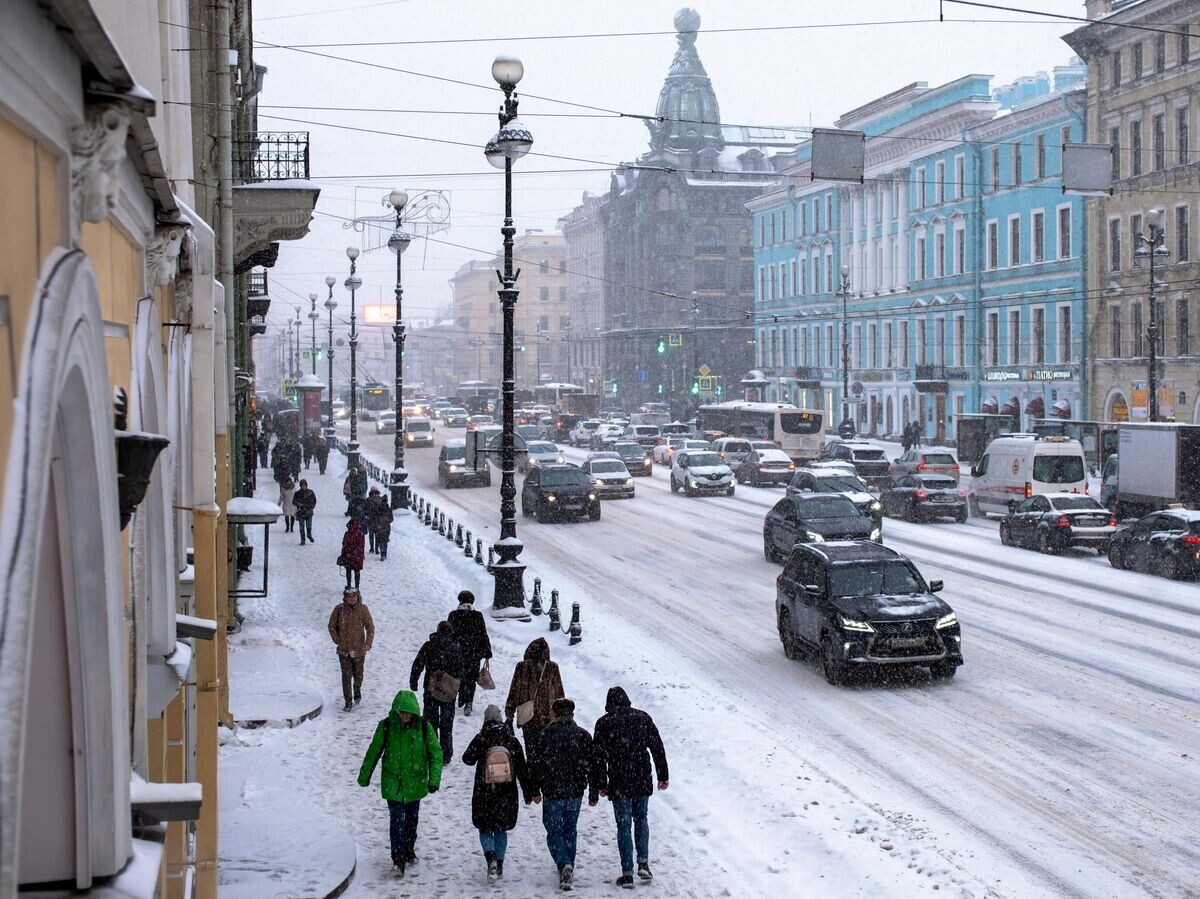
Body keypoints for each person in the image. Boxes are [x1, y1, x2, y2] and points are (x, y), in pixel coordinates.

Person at [358, 689, 443, 875]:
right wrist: (364, 776)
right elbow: (374, 751)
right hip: (393, 782)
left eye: (407, 713)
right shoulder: (387, 726)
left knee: (411, 820)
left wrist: (434, 779)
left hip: (415, 782)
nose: (404, 716)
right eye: (401, 712)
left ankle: (409, 849)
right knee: (396, 821)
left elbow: (436, 753)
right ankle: (398, 859)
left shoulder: (423, 727)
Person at [591, 687, 669, 889]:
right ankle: (643, 863)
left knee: (623, 825)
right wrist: (663, 775)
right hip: (641, 777)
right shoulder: (642, 717)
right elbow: (657, 747)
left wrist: (601, 783)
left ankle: (627, 873)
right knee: (641, 819)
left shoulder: (604, 722)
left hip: (619, 780)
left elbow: (598, 756)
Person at [461, 704, 534, 884]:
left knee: (485, 827)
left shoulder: (483, 739)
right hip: (506, 793)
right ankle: (499, 864)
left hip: (484, 792)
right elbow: (522, 769)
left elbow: (467, 759)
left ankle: (490, 859)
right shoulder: (511, 740)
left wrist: (479, 739)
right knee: (501, 829)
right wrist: (528, 792)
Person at [530, 697, 594, 891]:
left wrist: (534, 789)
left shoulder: (543, 735)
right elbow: (592, 765)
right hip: (575, 790)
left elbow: (535, 765)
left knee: (553, 830)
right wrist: (593, 791)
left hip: (552, 790)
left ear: (554, 713)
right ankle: (568, 864)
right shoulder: (583, 735)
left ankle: (564, 862)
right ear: (572, 713)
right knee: (570, 828)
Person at [410, 621, 465, 764]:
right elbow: (461, 671)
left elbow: (418, 664)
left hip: (431, 688)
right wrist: (462, 693)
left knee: (430, 722)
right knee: (447, 724)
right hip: (449, 691)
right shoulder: (455, 648)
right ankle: (445, 754)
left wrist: (414, 681)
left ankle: (431, 751)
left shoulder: (429, 645)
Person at [504, 637, 565, 757]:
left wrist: (510, 712)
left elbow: (514, 690)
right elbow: (559, 691)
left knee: (530, 748)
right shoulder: (552, 667)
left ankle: (532, 766)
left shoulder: (522, 667)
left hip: (528, 716)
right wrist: (563, 713)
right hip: (548, 716)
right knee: (547, 749)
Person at [327, 586, 374, 711]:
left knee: (358, 675)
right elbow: (331, 626)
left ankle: (357, 690)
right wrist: (337, 639)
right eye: (349, 596)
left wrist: (368, 643)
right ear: (345, 598)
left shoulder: (363, 609)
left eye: (354, 596)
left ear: (358, 597)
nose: (352, 599)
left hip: (359, 650)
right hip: (344, 651)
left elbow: (370, 628)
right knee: (346, 676)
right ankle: (348, 701)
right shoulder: (339, 610)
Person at [448, 590, 493, 717]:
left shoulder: (453, 615)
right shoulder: (477, 616)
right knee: (471, 679)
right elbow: (483, 634)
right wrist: (487, 651)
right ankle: (468, 702)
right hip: (474, 654)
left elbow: (449, 635)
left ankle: (460, 697)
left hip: (458, 653)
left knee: (458, 676)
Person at [367, 489, 394, 560]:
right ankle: (385, 553)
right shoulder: (389, 509)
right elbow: (391, 519)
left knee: (381, 540)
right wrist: (387, 521)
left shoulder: (378, 508)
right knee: (385, 540)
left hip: (379, 526)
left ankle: (382, 553)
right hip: (387, 527)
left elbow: (375, 516)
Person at [340, 518, 365, 589]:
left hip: (348, 554)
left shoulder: (347, 533)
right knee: (357, 571)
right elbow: (362, 545)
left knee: (348, 570)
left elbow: (344, 544)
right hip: (358, 556)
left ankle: (349, 585)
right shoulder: (360, 534)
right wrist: (361, 555)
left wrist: (343, 553)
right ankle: (357, 586)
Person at [365, 487, 389, 555]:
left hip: (370, 518)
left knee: (371, 534)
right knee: (377, 534)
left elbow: (365, 509)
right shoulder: (380, 499)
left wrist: (367, 514)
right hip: (377, 519)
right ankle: (376, 549)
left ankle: (371, 548)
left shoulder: (368, 499)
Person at [293, 478, 317, 545]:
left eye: (304, 485)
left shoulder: (311, 492)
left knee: (309, 526)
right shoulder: (297, 493)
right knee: (301, 527)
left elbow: (314, 501)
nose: (303, 486)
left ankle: (309, 535)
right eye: (302, 485)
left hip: (309, 512)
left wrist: (310, 507)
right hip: (301, 512)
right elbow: (294, 501)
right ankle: (303, 540)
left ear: (306, 485)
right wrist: (298, 504)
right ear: (300, 486)